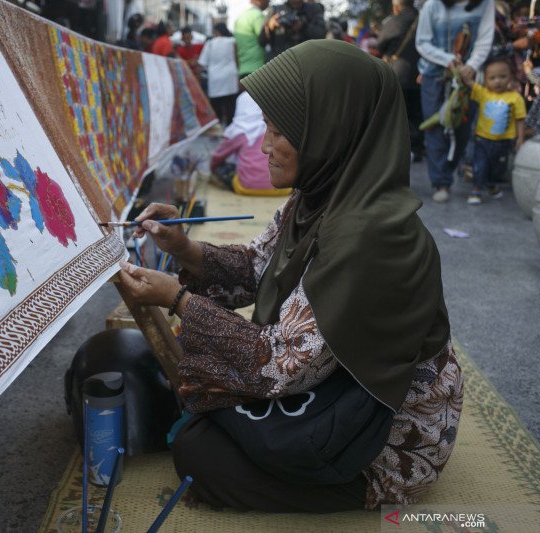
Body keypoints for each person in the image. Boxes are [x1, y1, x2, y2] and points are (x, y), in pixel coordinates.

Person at [118, 40, 461, 511]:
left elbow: (282, 364)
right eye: (267, 127)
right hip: (330, 381)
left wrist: (180, 300)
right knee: (200, 397)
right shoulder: (321, 194)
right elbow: (260, 266)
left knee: (199, 451)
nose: (264, 146)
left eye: (281, 132)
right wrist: (184, 247)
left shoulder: (372, 239)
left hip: (384, 433)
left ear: (330, 132)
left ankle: (360, 487)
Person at [416, 0, 495, 203]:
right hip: (434, 75)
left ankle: (448, 169)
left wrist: (471, 65)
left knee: (462, 127)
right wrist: (448, 60)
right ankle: (441, 181)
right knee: (434, 125)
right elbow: (422, 42)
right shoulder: (432, 5)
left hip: (467, 79)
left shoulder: (485, 4)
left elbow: (484, 39)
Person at [460, 55, 526, 204]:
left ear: (511, 77)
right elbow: (469, 82)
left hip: (504, 142)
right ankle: (477, 189)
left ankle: (490, 185)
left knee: (498, 169)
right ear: (486, 79)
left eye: (503, 76)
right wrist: (460, 69)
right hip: (482, 139)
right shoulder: (483, 94)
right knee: (480, 165)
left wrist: (520, 138)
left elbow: (520, 119)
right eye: (492, 77)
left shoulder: (515, 98)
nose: (497, 81)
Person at [210, 91, 288, 195]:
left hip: (245, 187)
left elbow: (217, 157)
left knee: (223, 167)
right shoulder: (273, 128)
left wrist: (212, 168)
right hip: (281, 188)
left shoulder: (238, 130)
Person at [377, 0, 424, 161]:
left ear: (396, 6)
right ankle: (418, 148)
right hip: (422, 73)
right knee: (418, 113)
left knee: (400, 114)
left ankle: (404, 148)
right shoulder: (423, 18)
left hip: (398, 73)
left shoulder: (393, 21)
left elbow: (380, 44)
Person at [198, 23, 239, 126]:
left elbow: (202, 63)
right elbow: (237, 59)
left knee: (217, 108)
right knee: (230, 108)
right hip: (230, 78)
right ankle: (231, 130)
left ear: (216, 32)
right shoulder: (232, 41)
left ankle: (218, 128)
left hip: (215, 80)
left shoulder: (210, 43)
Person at [259, 0, 326, 61]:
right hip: (281, 62)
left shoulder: (313, 9)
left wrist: (303, 26)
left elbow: (321, 34)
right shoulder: (275, 10)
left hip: (307, 60)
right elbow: (262, 41)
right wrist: (269, 27)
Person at [234, 0, 269, 78]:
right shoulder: (258, 15)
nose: (268, 3)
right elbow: (263, 40)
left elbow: (235, 46)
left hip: (243, 69)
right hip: (258, 68)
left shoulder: (240, 17)